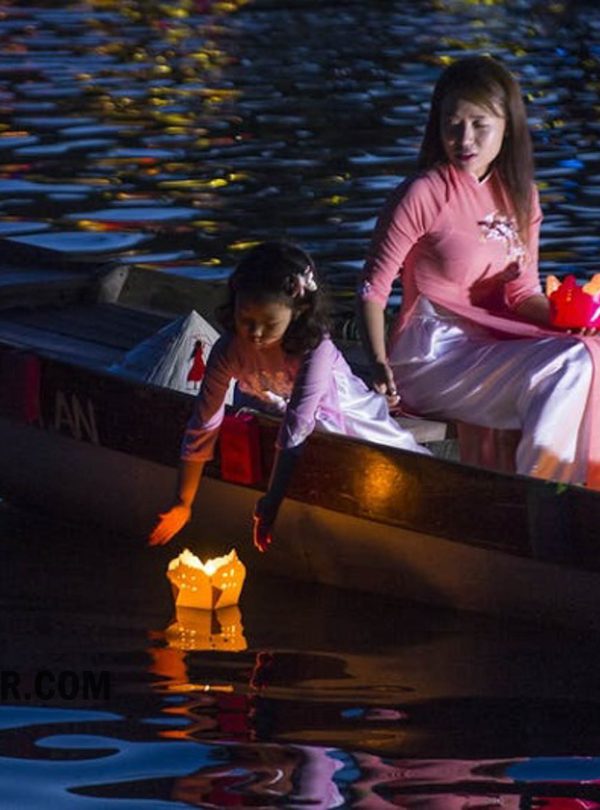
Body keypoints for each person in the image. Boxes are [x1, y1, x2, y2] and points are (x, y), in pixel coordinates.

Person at [358, 54, 600, 489]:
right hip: (431, 355)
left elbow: (522, 293)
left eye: (479, 124)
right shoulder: (424, 193)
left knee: (590, 352)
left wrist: (572, 322)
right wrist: (377, 364)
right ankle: (542, 496)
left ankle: (574, 488)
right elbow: (373, 291)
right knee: (568, 365)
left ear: (507, 126)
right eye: (452, 123)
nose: (463, 138)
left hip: (490, 347)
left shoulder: (522, 197)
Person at [149, 241, 429, 551]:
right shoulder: (229, 350)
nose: (254, 334)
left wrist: (271, 502)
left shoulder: (314, 350)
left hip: (334, 409)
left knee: (391, 463)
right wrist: (182, 501)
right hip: (271, 402)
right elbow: (203, 423)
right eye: (246, 320)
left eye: (269, 324)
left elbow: (296, 428)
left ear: (298, 312)